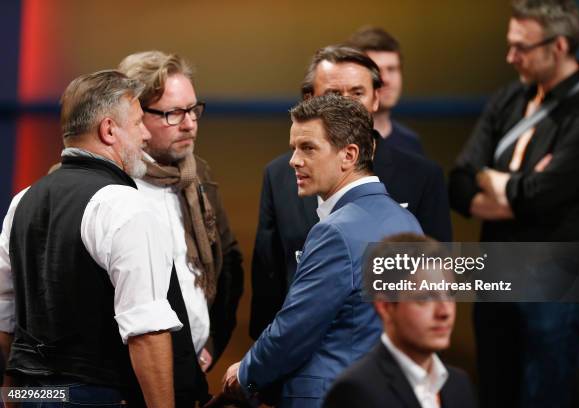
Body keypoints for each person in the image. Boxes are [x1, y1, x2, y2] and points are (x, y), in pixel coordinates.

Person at [448, 0, 579, 406]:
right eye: (510, 44)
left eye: (522, 47)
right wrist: (506, 186)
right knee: (494, 388)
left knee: (546, 394)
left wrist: (503, 184)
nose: (510, 57)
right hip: (496, 271)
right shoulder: (507, 99)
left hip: (555, 277)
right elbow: (460, 183)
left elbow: (542, 199)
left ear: (558, 46)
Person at [222, 93, 423, 407]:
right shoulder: (408, 222)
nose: (293, 160)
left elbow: (294, 330)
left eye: (308, 148)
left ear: (349, 155)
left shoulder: (335, 232)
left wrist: (245, 373)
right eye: (294, 148)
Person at [0, 70, 184, 407]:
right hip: (94, 397)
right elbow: (146, 332)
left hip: (30, 394)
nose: (145, 135)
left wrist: (10, 399)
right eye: (139, 122)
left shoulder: (21, 201)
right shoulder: (125, 206)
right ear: (109, 130)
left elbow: (4, 320)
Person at [249, 45, 452, 342]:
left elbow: (437, 278)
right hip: (293, 351)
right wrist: (261, 362)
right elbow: (269, 274)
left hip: (380, 355)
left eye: (357, 93)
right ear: (309, 100)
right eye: (333, 95)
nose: (346, 105)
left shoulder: (422, 177)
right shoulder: (279, 175)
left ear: (375, 99)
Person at [118, 51, 244, 405]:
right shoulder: (110, 183)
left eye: (193, 110)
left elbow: (228, 266)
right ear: (135, 116)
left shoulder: (197, 175)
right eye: (174, 113)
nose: (190, 124)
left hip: (190, 378)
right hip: (127, 386)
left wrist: (209, 345)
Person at [324, 233, 477, 408]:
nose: (445, 312)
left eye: (450, 295)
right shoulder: (355, 391)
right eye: (426, 298)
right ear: (386, 307)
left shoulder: (459, 384)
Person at [347, 26, 425, 156]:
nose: (385, 79)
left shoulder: (411, 143)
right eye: (376, 70)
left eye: (392, 69)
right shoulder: (336, 143)